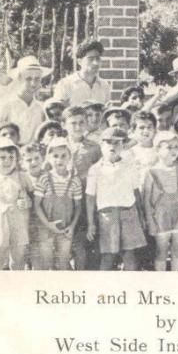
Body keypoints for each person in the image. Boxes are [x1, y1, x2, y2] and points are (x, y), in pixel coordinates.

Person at [85, 127, 147, 271]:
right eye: (108, 143)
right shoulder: (95, 169)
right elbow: (90, 198)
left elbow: (136, 192)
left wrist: (141, 215)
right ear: (101, 145)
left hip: (129, 213)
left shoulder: (129, 166)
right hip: (107, 216)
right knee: (108, 255)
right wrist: (90, 224)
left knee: (129, 254)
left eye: (117, 143)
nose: (112, 146)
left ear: (123, 146)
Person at [142, 131, 178, 271]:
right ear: (157, 150)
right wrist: (150, 221)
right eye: (169, 147)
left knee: (177, 251)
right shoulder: (151, 172)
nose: (173, 150)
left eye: (176, 147)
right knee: (162, 251)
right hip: (160, 217)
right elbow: (146, 200)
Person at [32, 137, 83, 270]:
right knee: (46, 260)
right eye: (55, 156)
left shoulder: (74, 180)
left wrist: (72, 226)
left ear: (69, 157)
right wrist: (48, 224)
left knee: (63, 260)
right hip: (46, 227)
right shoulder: (44, 179)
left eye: (63, 156)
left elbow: (78, 207)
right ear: (49, 158)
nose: (59, 160)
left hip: (65, 228)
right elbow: (37, 205)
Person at [62, 105, 102, 270]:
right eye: (73, 123)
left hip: (85, 202)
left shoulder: (94, 147)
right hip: (63, 200)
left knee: (82, 243)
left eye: (81, 122)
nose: (77, 127)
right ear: (64, 124)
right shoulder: (58, 146)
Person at [0, 137, 34, 270]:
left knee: (18, 257)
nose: (7, 161)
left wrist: (28, 202)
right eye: (3, 157)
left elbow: (33, 196)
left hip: (19, 222)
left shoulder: (22, 177)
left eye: (11, 157)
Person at [0, 56, 50, 145]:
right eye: (28, 79)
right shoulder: (7, 105)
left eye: (37, 79)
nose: (33, 84)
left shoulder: (40, 108)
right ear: (19, 78)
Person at [53, 40, 111, 107]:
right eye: (90, 59)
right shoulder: (65, 84)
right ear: (79, 61)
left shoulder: (104, 85)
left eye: (98, 58)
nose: (95, 63)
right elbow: (57, 113)